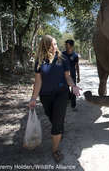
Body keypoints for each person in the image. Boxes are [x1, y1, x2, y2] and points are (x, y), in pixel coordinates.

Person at [28, 35, 81, 163]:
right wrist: (33, 98)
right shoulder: (39, 62)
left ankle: (55, 149)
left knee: (56, 123)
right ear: (45, 46)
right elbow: (38, 82)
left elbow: (67, 76)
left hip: (61, 94)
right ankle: (58, 129)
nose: (54, 47)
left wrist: (73, 86)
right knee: (52, 117)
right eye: (52, 44)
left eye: (56, 44)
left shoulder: (62, 59)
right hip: (46, 96)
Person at [63, 39, 80, 111]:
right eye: (65, 46)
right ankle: (68, 98)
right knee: (65, 89)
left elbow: (77, 66)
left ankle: (73, 105)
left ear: (72, 46)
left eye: (68, 46)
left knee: (74, 89)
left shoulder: (75, 55)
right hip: (64, 75)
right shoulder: (62, 54)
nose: (66, 47)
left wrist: (78, 76)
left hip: (72, 74)